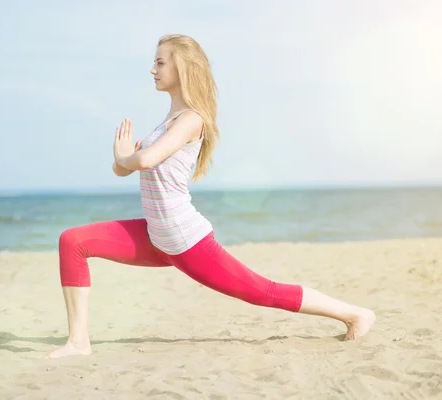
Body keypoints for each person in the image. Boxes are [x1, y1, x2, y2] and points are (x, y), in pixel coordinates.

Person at [44, 34, 375, 359]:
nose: (152, 70)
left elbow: (142, 161)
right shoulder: (166, 123)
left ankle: (355, 315)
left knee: (263, 292)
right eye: (154, 63)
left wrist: (126, 156)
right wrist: (121, 157)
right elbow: (126, 168)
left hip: (184, 239)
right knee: (73, 241)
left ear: (183, 68)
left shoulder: (191, 120)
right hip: (156, 235)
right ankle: (78, 342)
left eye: (160, 62)